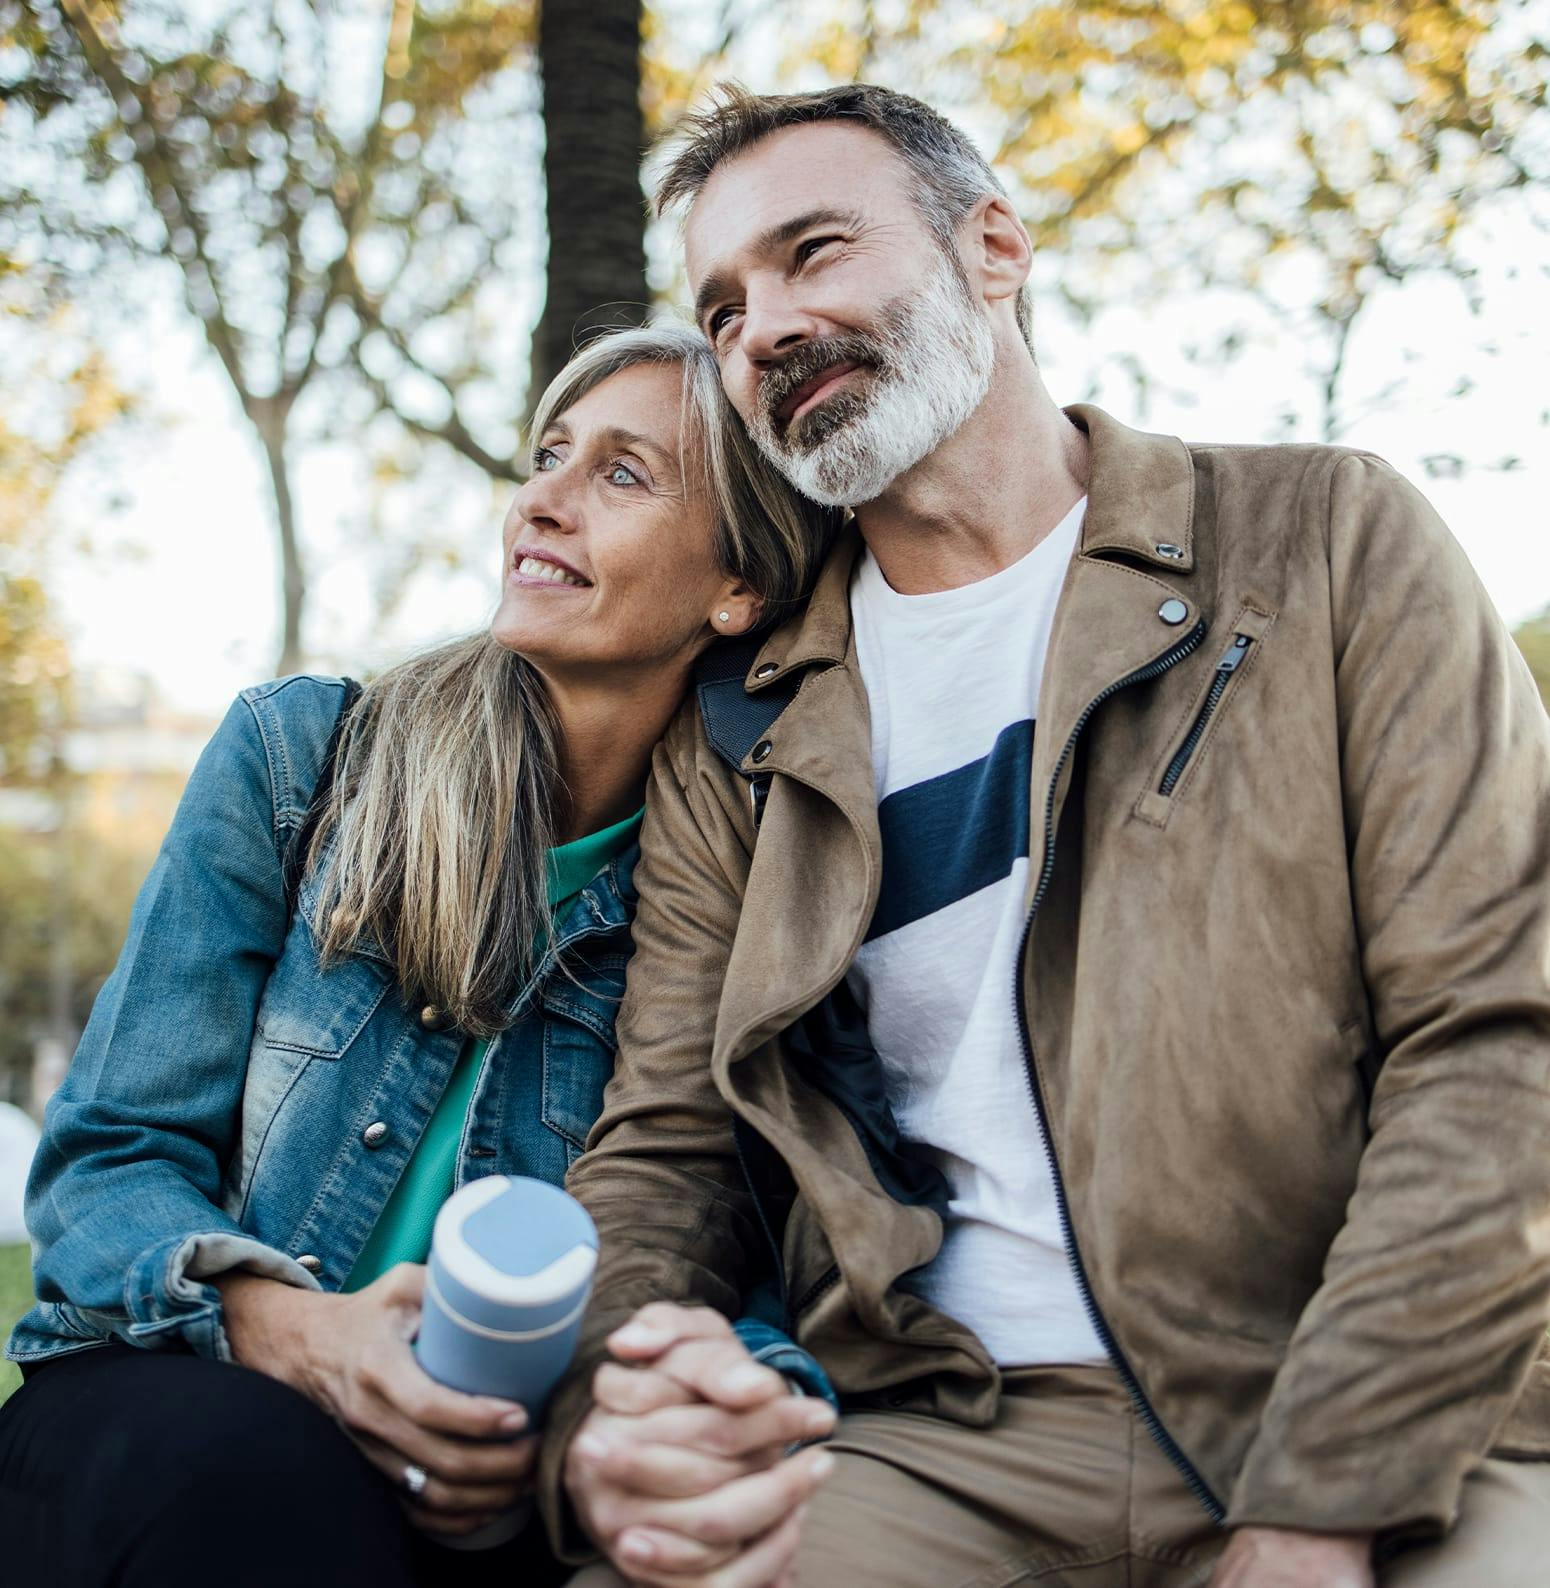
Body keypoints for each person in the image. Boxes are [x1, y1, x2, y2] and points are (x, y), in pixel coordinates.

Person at [549, 85, 1550, 1588]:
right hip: (944, 1431)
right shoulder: (741, 729)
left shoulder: (1323, 542)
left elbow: (1500, 1035)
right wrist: (619, 1398)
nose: (759, 328)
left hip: (1396, 1410)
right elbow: (668, 1154)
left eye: (813, 251)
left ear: (993, 249)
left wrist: (1319, 1505)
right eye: (722, 306)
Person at [0, 323, 840, 1588]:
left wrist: (714, 1403)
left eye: (620, 475)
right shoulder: (300, 764)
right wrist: (305, 1335)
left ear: (739, 589)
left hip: (496, 1474)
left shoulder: (752, 893)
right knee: (260, 1472)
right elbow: (105, 1161)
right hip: (185, 1393)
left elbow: (737, 1258)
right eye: (549, 453)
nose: (540, 500)